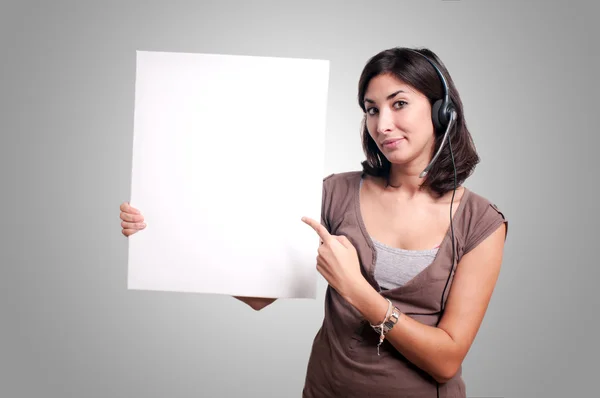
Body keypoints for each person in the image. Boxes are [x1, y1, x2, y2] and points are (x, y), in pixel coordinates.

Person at [119, 47, 508, 398]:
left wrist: (358, 291)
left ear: (442, 110)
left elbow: (446, 360)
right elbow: (259, 295)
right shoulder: (335, 194)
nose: (382, 124)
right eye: (371, 109)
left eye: (399, 103)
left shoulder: (480, 224)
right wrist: (166, 231)